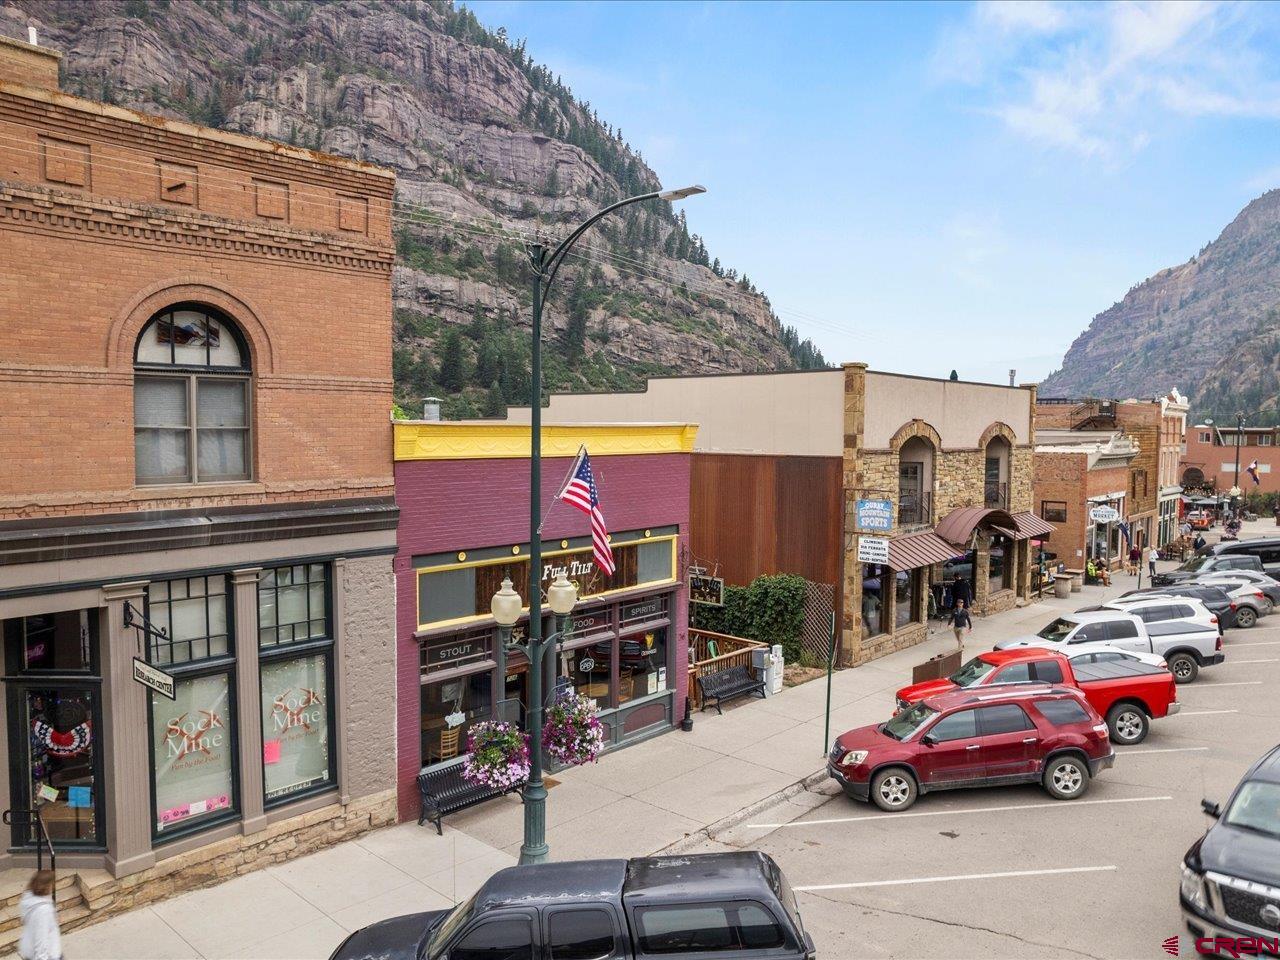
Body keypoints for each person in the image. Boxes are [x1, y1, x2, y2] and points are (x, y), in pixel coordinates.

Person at [18, 870, 60, 960]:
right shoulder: (43, 910)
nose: (54, 886)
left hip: (29, 949)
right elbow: (41, 939)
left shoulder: (28, 899)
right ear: (47, 886)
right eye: (52, 883)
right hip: (47, 955)